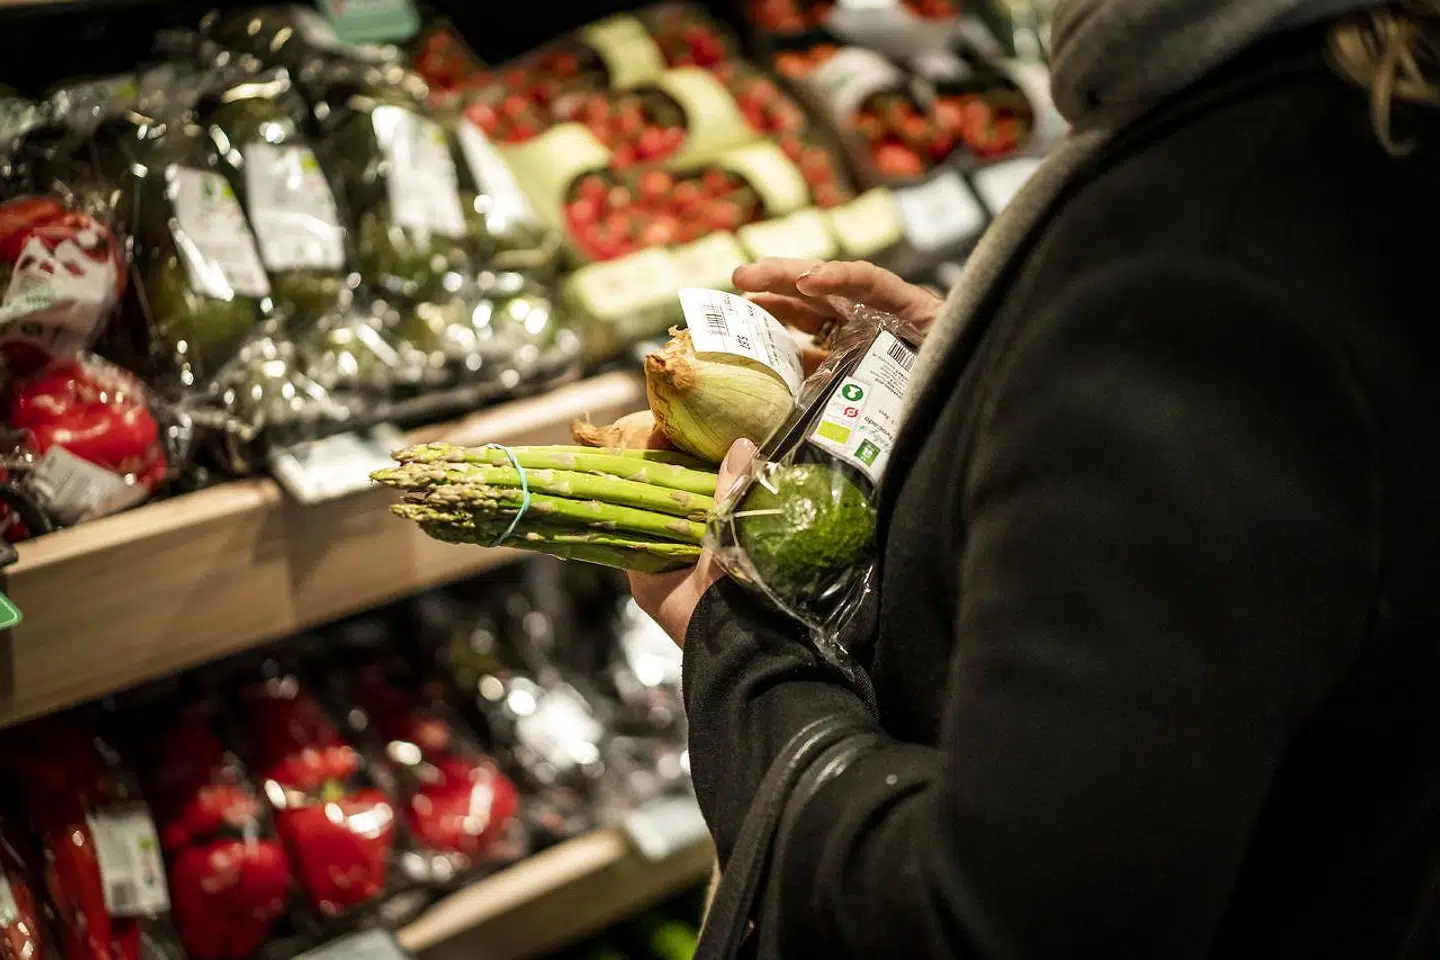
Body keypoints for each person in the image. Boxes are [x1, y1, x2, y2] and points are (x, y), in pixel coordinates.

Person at [629, 1, 1440, 957]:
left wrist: (744, 647)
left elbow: (998, 925)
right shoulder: (1354, 115)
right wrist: (991, 378)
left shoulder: (1203, 282)